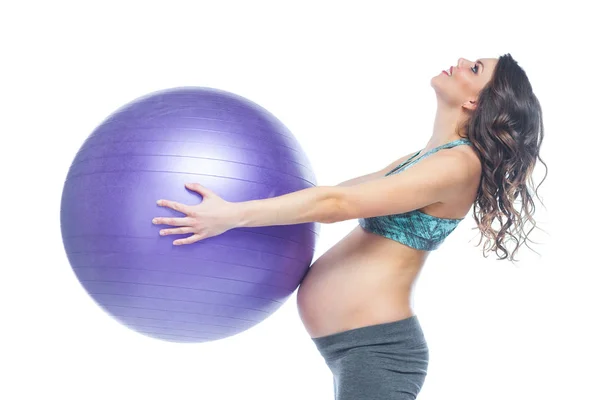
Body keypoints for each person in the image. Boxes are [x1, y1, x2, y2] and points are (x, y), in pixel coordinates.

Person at [152, 53, 547, 399]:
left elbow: (337, 205)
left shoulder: (459, 165)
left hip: (378, 350)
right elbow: (337, 192)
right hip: (355, 345)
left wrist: (231, 216)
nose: (461, 60)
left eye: (474, 68)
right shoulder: (428, 156)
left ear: (475, 100)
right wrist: (243, 210)